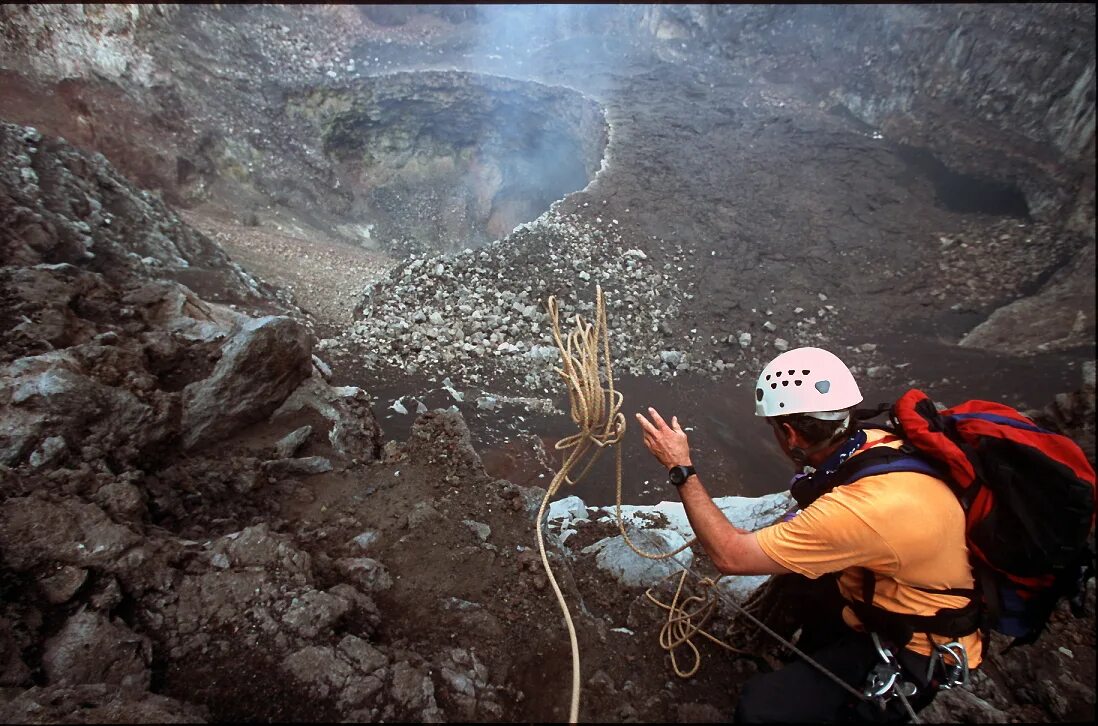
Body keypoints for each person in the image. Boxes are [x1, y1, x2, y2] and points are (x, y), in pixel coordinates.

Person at [635, 346, 982, 723]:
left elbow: (729, 556)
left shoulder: (858, 511)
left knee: (761, 708)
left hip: (914, 647)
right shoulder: (878, 441)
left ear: (789, 433)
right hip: (893, 598)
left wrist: (680, 468)